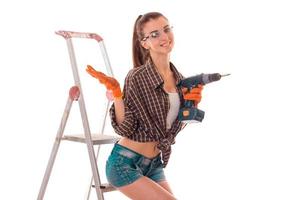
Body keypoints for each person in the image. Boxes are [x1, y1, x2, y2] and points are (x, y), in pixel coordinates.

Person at [86, 12, 203, 200]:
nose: (164, 37)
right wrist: (118, 96)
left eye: (166, 29)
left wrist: (191, 106)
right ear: (144, 43)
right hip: (124, 163)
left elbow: (170, 130)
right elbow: (126, 128)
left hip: (154, 164)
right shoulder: (137, 77)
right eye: (155, 34)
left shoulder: (180, 80)